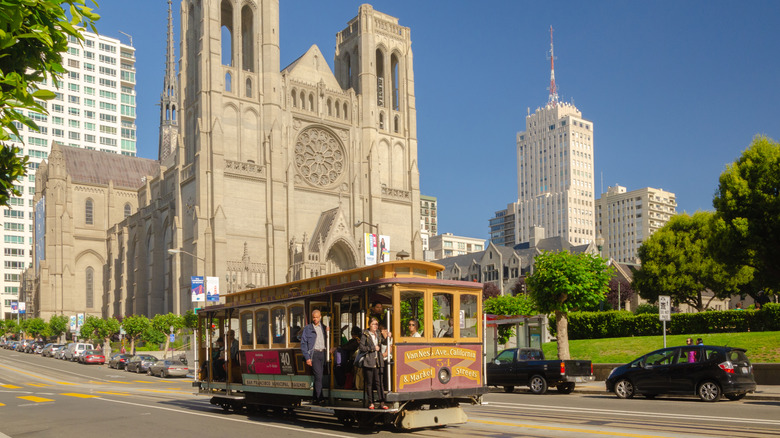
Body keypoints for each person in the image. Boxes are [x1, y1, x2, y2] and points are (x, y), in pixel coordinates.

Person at [359, 317, 390, 409]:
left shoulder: (378, 333)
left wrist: (387, 336)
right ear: (369, 325)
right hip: (369, 361)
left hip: (378, 361)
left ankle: (382, 402)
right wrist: (372, 348)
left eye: (376, 324)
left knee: (379, 382)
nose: (375, 326)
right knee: (369, 383)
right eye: (373, 324)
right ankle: (371, 402)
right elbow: (361, 347)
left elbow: (383, 343)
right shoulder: (365, 334)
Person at [301, 309, 328, 405]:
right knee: (319, 376)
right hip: (314, 354)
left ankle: (315, 398)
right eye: (314, 317)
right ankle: (320, 398)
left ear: (320, 317)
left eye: (317, 317)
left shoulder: (324, 328)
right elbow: (303, 343)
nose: (315, 319)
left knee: (319, 377)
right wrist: (307, 357)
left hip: (323, 354)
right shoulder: (308, 328)